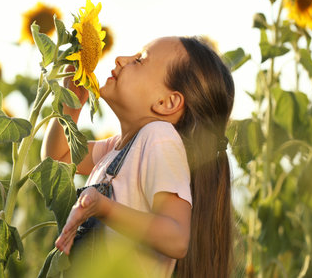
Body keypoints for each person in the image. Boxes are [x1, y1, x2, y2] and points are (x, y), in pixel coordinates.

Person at [41, 36, 235, 278]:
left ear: (167, 102)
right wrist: (70, 104)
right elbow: (58, 159)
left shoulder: (159, 138)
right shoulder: (118, 147)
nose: (121, 59)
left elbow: (176, 238)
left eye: (139, 60)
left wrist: (104, 208)